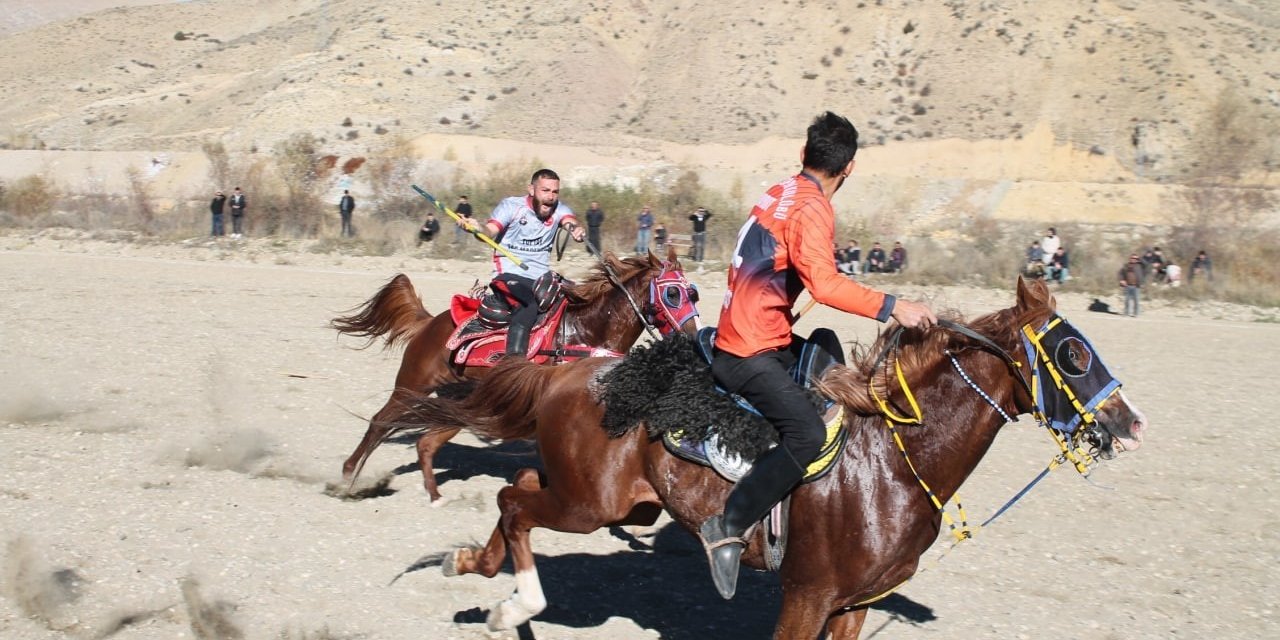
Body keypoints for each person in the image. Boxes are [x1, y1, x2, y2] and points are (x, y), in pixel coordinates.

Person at [700, 111, 937, 600]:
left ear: (803, 154)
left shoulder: (781, 191)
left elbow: (783, 267)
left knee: (828, 350)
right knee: (807, 433)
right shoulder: (813, 208)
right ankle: (729, 524)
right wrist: (895, 307)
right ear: (849, 168)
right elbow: (825, 286)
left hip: (756, 332)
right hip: (748, 351)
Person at [458, 169, 584, 357]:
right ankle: (514, 363)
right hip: (509, 275)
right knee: (528, 306)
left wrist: (576, 230)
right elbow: (489, 232)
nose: (550, 197)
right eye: (545, 190)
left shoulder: (559, 209)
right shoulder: (511, 206)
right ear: (531, 190)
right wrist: (476, 229)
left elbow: (569, 221)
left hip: (540, 278)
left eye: (555, 192)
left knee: (580, 298)